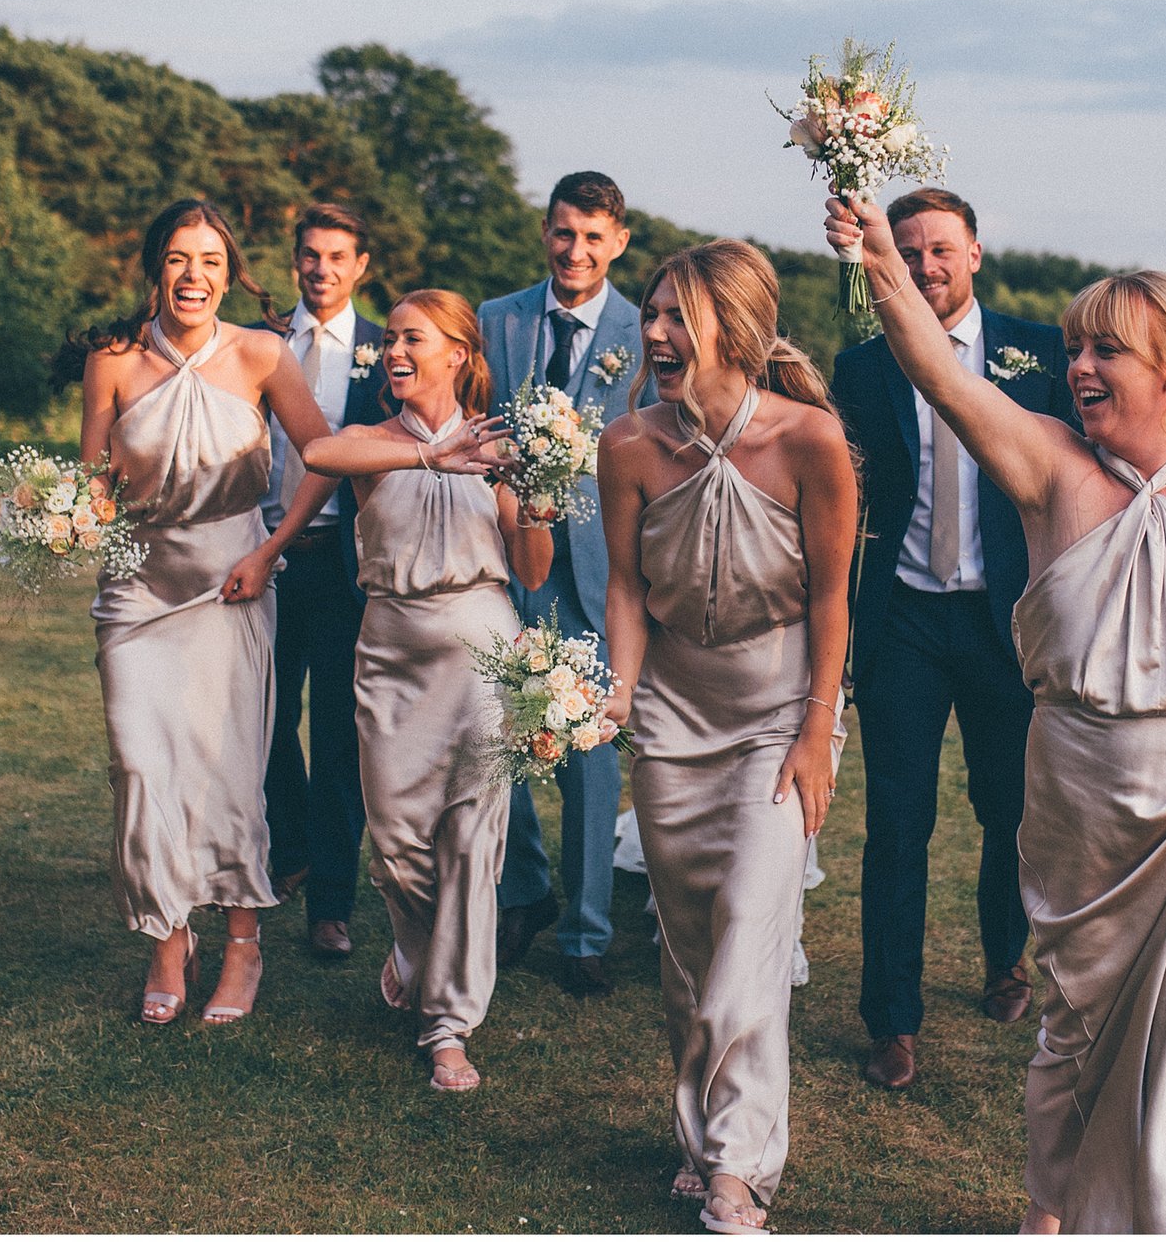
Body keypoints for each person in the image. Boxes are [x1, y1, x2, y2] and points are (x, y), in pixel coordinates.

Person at [828, 198, 1166, 1234]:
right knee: (1075, 1025)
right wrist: (880, 257)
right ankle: (1052, 1206)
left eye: (1107, 349)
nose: (1080, 368)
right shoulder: (1050, 466)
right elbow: (935, 371)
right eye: (1073, 348)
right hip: (1078, 789)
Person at [599, 240, 856, 1236]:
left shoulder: (809, 441)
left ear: (733, 326)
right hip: (673, 715)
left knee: (752, 926)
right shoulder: (627, 445)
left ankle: (739, 1168)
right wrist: (615, 698)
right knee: (689, 948)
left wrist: (817, 728)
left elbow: (835, 594)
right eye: (651, 313)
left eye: (676, 315)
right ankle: (701, 1136)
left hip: (776, 713)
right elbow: (626, 589)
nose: (655, 332)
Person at [830, 187, 1078, 1090]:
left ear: (975, 252)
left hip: (1005, 616)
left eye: (942, 249)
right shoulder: (861, 368)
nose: (927, 266)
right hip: (902, 616)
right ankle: (892, 1018)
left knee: (1010, 809)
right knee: (897, 821)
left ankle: (1005, 960)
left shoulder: (1040, 352)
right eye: (908, 251)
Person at [77, 198, 340, 1025]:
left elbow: (324, 460)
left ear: (230, 273)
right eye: (180, 260)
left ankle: (242, 944)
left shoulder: (263, 355)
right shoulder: (112, 359)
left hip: (234, 582)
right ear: (156, 267)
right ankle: (166, 934)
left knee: (229, 772)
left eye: (212, 262)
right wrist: (59, 517)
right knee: (141, 764)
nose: (196, 276)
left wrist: (272, 550)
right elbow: (90, 478)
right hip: (138, 591)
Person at [303, 291, 551, 1092]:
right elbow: (317, 456)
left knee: (474, 843)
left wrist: (538, 496)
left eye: (415, 339)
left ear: (458, 352)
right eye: (392, 341)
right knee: (400, 846)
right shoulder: (370, 444)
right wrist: (425, 458)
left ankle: (447, 1025)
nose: (396, 352)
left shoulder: (499, 449)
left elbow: (534, 570)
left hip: (482, 651)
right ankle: (415, 951)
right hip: (391, 655)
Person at [482, 171, 646, 996]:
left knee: (589, 751)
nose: (574, 250)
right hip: (505, 555)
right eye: (561, 232)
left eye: (592, 236)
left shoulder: (644, 332)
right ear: (545, 234)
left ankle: (586, 931)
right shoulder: (497, 318)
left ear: (618, 240)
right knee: (501, 731)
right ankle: (524, 888)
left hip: (600, 567)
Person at [261, 203, 390, 952]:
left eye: (338, 256)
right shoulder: (258, 341)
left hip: (345, 566)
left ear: (360, 265)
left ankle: (332, 904)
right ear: (295, 259)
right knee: (264, 720)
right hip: (265, 558)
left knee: (341, 733)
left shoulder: (382, 348)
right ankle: (293, 845)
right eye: (311, 254)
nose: (322, 269)